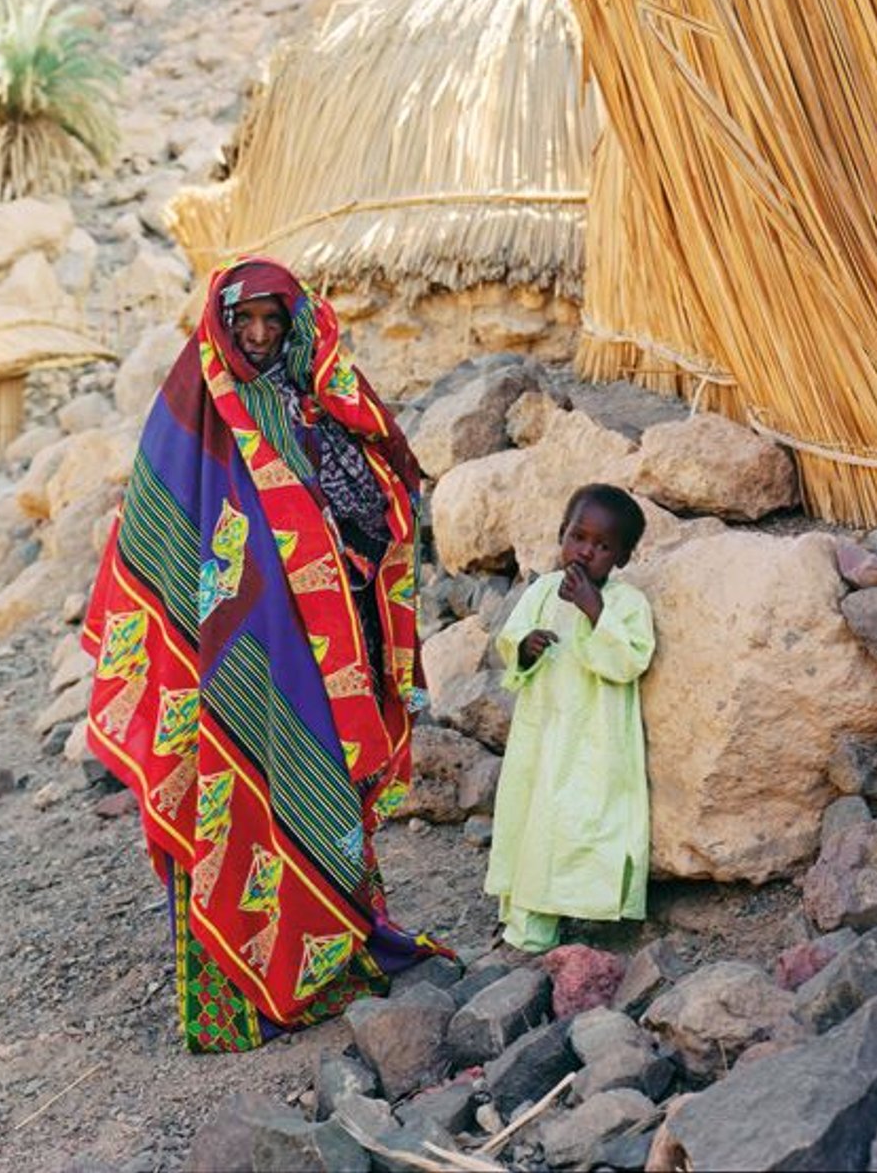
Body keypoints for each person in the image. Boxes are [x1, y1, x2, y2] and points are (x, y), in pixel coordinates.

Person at [82, 257, 448, 1052]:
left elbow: (380, 497)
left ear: (292, 325)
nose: (256, 334)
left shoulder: (310, 397)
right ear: (221, 323)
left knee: (318, 784)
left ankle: (333, 963)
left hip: (310, 646)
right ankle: (230, 1007)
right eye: (243, 320)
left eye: (272, 321)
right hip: (221, 654)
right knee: (227, 801)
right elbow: (154, 533)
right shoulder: (190, 408)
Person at [485, 484, 655, 953]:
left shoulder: (626, 603)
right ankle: (528, 922)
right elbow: (510, 643)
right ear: (561, 534)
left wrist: (594, 610)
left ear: (622, 558)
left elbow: (630, 660)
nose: (586, 552)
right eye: (578, 537)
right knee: (533, 819)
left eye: (603, 546)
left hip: (593, 738)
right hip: (541, 733)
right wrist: (525, 648)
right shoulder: (542, 591)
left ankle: (587, 912)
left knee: (584, 819)